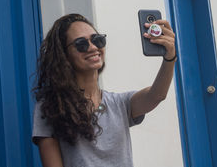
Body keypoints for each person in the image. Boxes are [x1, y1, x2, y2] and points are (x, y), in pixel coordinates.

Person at [32, 13, 176, 167]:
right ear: (64, 55)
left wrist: (170, 56)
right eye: (81, 44)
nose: (93, 47)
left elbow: (157, 95)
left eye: (97, 40)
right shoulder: (51, 107)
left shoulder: (119, 104)